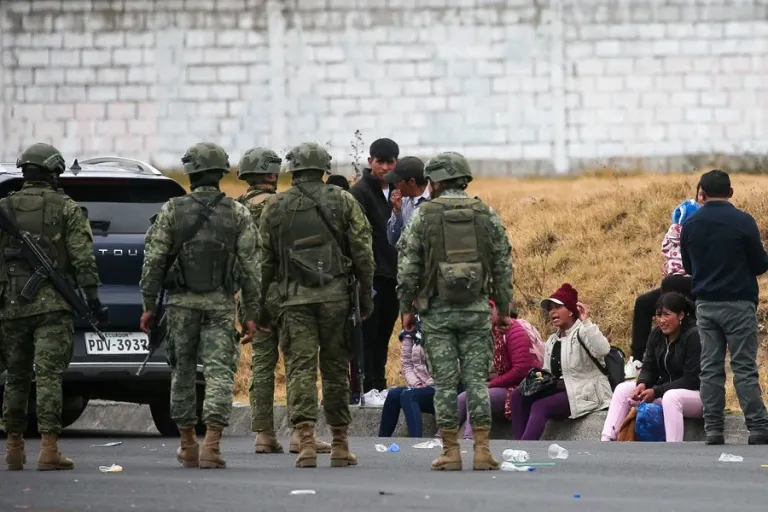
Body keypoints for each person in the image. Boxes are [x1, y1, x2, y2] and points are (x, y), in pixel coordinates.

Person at [139, 142, 262, 469]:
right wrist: (250, 314)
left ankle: (188, 444)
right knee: (220, 373)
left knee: (182, 373)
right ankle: (212, 445)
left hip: (181, 306)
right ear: (221, 173)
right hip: (220, 305)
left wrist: (149, 305)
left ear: (190, 173)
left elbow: (153, 261)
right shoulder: (237, 212)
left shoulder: (172, 210)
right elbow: (252, 268)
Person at [258, 142, 374, 468]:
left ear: (292, 170)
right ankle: (340, 445)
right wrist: (365, 297)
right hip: (336, 298)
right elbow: (363, 252)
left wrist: (260, 308)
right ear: (324, 168)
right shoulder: (342, 200)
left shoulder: (276, 206)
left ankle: (306, 444)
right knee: (336, 371)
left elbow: (263, 262)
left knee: (300, 370)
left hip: (293, 300)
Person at [397, 151, 513, 471]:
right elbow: (503, 263)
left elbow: (407, 266)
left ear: (435, 181)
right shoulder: (485, 213)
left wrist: (406, 308)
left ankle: (450, 452)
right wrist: (503, 308)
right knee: (477, 382)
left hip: (437, 312)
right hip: (476, 310)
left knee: (446, 384)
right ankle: (482, 451)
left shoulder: (423, 215)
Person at [0, 143, 106, 471]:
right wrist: (92, 300)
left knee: (15, 377)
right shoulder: (67, 208)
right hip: (52, 308)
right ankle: (48, 449)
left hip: (11, 306)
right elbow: (83, 259)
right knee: (48, 376)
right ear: (53, 171)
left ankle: (14, 448)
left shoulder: (6, 207)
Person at [234, 148, 335, 457]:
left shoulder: (236, 209)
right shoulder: (284, 205)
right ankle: (300, 435)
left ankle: (263, 434)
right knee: (298, 363)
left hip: (252, 294)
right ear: (272, 173)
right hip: (288, 293)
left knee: (262, 364)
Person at [680, 169, 768, 445]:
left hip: (706, 306)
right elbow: (761, 265)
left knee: (710, 368)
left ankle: (714, 429)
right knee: (743, 367)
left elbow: (688, 267)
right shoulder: (743, 221)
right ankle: (758, 427)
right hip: (739, 304)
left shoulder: (690, 224)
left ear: (702, 194)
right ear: (730, 192)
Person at [509, 283, 611, 441]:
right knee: (517, 395)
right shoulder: (552, 340)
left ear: (570, 310)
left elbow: (603, 350)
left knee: (540, 406)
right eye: (550, 308)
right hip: (560, 388)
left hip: (585, 390)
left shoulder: (584, 330)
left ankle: (524, 449)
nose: (552, 312)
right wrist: (537, 382)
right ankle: (518, 445)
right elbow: (548, 372)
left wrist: (587, 322)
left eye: (557, 307)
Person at [602, 292, 702, 442]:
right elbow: (649, 366)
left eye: (666, 315)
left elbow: (692, 380)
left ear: (681, 315)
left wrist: (657, 391)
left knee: (671, 397)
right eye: (658, 315)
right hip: (664, 392)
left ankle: (674, 449)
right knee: (623, 389)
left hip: (697, 396)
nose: (661, 321)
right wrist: (643, 383)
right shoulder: (656, 334)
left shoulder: (694, 335)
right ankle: (607, 441)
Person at [627, 196, 700, 378]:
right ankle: (638, 359)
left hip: (699, 284)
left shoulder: (707, 231)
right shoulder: (674, 234)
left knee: (669, 283)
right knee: (643, 302)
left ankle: (678, 323)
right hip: (676, 282)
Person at [349, 138, 400, 398]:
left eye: (390, 162)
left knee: (384, 335)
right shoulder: (359, 192)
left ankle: (379, 386)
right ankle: (367, 387)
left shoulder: (399, 190)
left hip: (394, 275)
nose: (385, 167)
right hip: (370, 276)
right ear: (370, 162)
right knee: (367, 335)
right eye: (380, 162)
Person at [458, 302, 544, 440]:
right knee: (461, 398)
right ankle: (440, 440)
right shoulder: (491, 332)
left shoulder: (514, 330)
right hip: (504, 385)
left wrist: (490, 384)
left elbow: (521, 370)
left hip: (522, 386)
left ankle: (469, 440)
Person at [377, 318, 436, 437]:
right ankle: (382, 440)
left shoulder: (445, 328)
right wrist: (417, 385)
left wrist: (429, 383)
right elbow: (407, 365)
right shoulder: (411, 329)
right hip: (420, 387)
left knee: (409, 395)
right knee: (394, 394)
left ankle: (416, 441)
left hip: (442, 389)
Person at [384, 156, 431, 246]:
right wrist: (397, 212)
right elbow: (393, 240)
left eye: (397, 182)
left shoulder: (435, 200)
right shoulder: (403, 202)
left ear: (411, 182)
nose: (395, 185)